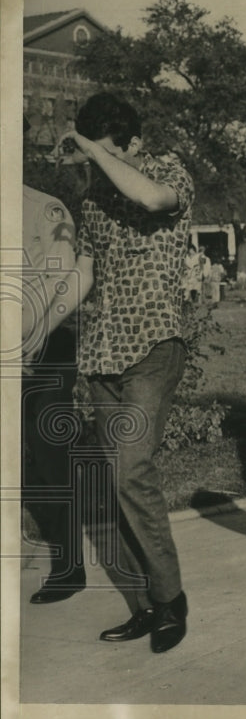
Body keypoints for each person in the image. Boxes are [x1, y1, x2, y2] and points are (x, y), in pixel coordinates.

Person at [55, 92, 194, 653]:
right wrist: (35, 321)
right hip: (101, 354)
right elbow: (84, 273)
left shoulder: (165, 169)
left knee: (131, 469)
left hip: (153, 346)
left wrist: (89, 147)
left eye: (106, 152)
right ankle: (145, 604)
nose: (97, 167)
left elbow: (151, 198)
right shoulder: (93, 200)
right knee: (114, 481)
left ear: (134, 144)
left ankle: (170, 600)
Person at [21, 181, 86, 604]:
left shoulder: (46, 209)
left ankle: (70, 567)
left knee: (48, 453)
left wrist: (21, 332)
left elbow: (61, 279)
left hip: (46, 344)